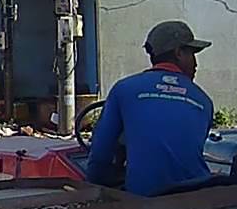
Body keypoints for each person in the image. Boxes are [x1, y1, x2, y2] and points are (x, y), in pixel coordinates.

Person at [86, 20, 214, 196]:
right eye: (192, 54)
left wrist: (94, 187)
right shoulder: (203, 100)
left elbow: (100, 155)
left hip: (145, 200)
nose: (196, 63)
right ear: (178, 53)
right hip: (197, 196)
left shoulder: (124, 89)